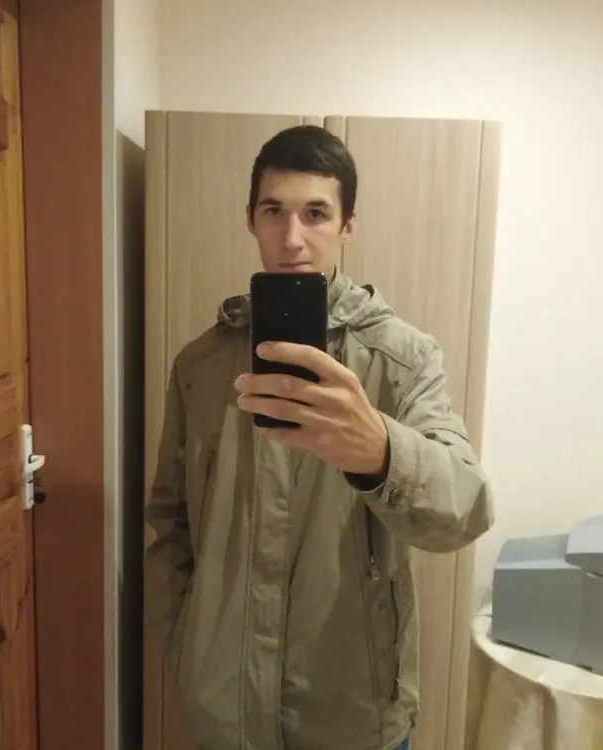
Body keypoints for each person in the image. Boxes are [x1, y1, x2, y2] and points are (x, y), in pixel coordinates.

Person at [145, 125, 494, 750]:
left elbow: (465, 509)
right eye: (273, 211)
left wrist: (381, 453)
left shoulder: (403, 361)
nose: (292, 238)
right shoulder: (200, 366)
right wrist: (186, 646)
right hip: (223, 712)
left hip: (352, 714)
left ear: (347, 225)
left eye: (315, 214)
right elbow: (171, 525)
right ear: (250, 220)